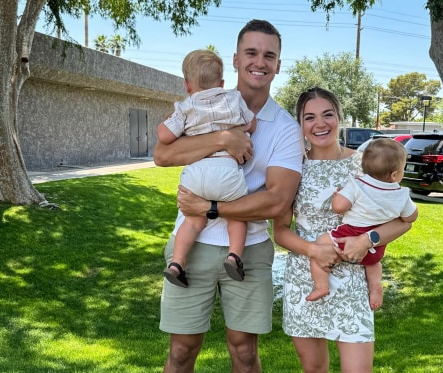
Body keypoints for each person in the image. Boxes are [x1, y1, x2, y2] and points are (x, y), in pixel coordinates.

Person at [154, 19, 304, 373]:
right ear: (235, 60)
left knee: (245, 352)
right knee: (181, 351)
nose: (260, 61)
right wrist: (223, 140)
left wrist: (209, 209)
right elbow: (162, 155)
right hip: (191, 247)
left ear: (278, 65)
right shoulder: (199, 105)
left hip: (249, 248)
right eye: (251, 52)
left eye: (270, 55)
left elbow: (277, 201)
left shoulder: (285, 128)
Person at [273, 87, 412, 373]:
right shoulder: (292, 166)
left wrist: (367, 240)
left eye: (327, 114)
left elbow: (402, 218)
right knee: (314, 370)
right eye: (309, 117)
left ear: (339, 117)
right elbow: (281, 231)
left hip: (354, 280)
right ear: (300, 123)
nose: (319, 124)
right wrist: (314, 250)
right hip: (306, 279)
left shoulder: (365, 164)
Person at [158, 49, 256, 287]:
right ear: (222, 83)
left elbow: (164, 135)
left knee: (191, 221)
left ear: (187, 85)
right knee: (237, 216)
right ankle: (234, 257)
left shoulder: (185, 107)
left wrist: (172, 120)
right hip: (226, 171)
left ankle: (177, 263)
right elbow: (251, 124)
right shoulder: (233, 99)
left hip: (196, 174)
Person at [307, 138, 418, 307]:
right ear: (394, 174)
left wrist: (337, 196)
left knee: (318, 246)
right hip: (378, 243)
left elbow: (339, 207)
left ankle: (321, 285)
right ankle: (375, 286)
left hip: (349, 233)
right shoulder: (401, 194)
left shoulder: (357, 184)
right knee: (373, 264)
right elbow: (410, 218)